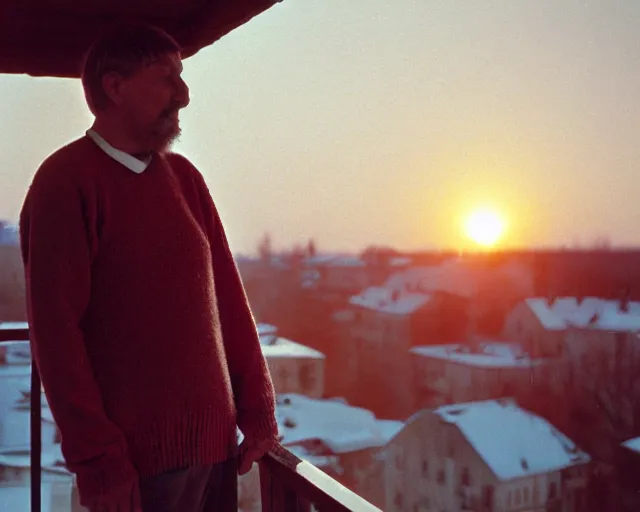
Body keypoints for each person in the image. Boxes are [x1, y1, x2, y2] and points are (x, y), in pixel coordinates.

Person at [19, 23, 278, 512]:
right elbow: (57, 337)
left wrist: (258, 413)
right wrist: (99, 462)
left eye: (181, 76)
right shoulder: (65, 183)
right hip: (137, 472)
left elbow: (227, 299)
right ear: (114, 87)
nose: (183, 94)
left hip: (218, 455)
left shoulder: (184, 178)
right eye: (166, 77)